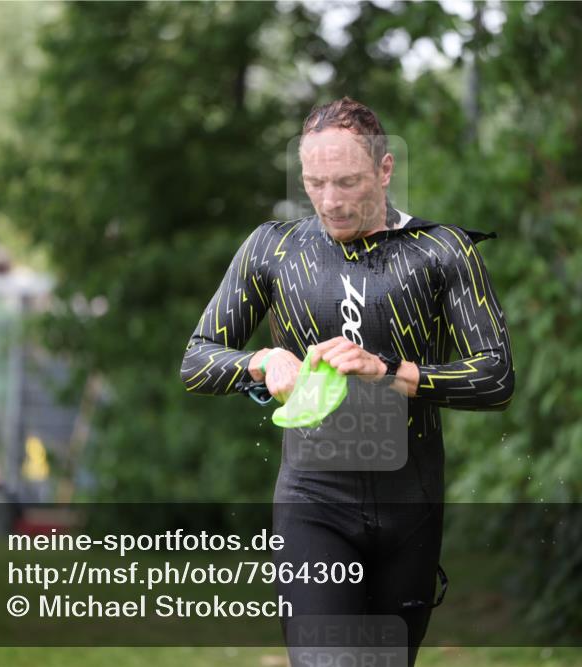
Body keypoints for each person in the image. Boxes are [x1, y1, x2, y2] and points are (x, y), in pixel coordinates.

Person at [181, 97, 514, 665]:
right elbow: (197, 359)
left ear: (384, 171)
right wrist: (260, 362)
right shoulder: (274, 248)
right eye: (315, 183)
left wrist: (392, 372)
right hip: (313, 501)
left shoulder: (441, 252)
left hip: (410, 503)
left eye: (347, 182)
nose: (330, 201)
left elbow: (495, 376)